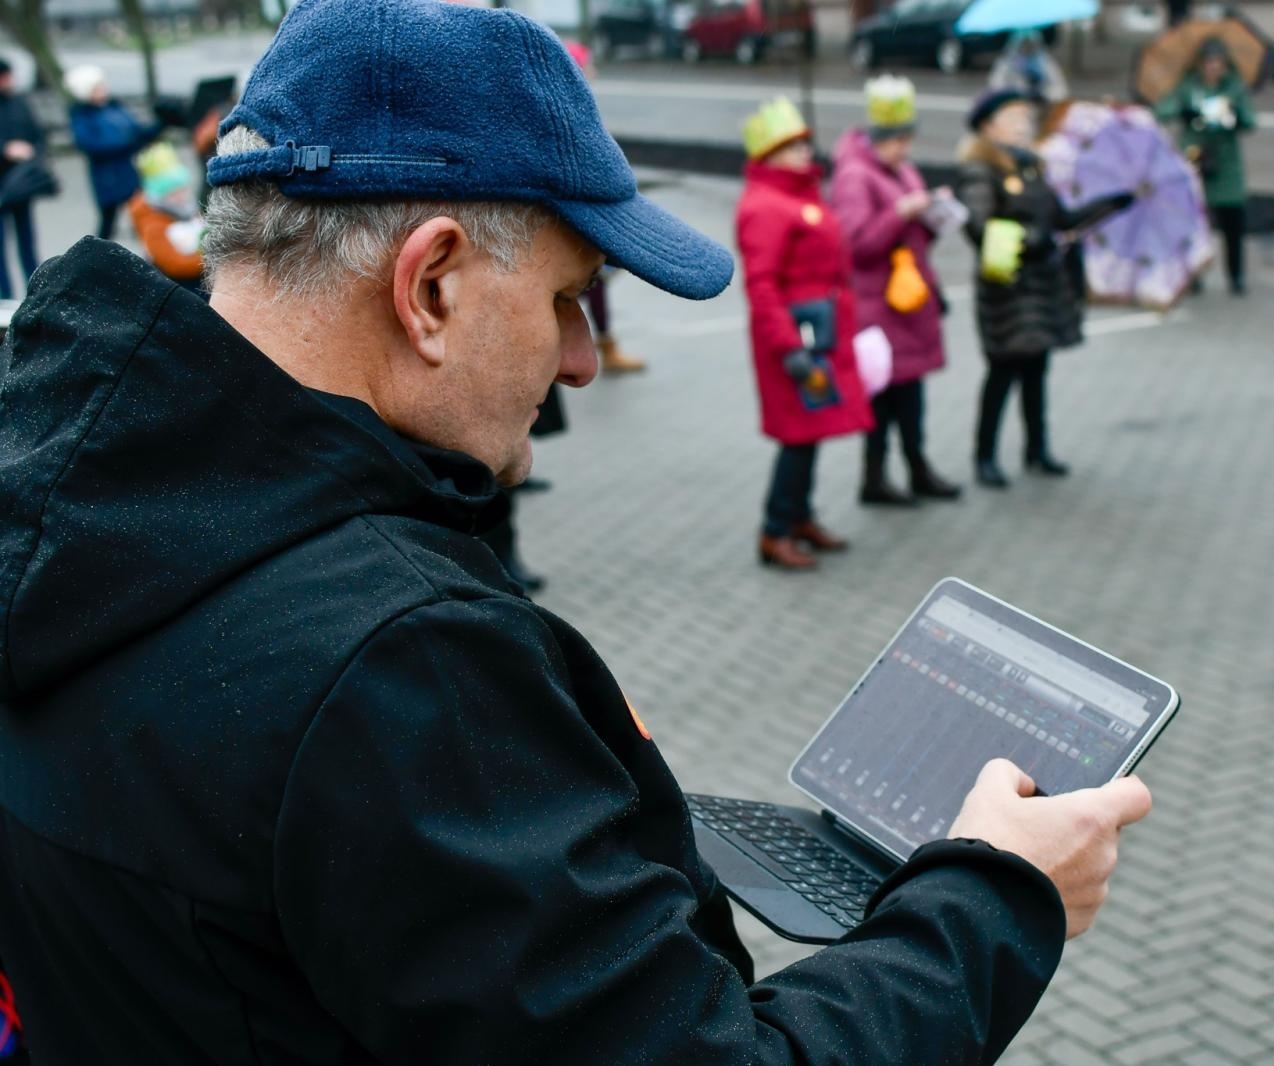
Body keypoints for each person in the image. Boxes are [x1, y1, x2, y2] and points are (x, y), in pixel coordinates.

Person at [0, 2, 1154, 1060]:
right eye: (568, 298)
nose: (585, 360)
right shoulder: (398, 663)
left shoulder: (72, 510)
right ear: (432, 286)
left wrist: (549, 792)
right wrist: (994, 895)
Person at [957, 89, 1131, 489]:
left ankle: (1037, 449)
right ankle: (985, 456)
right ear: (989, 125)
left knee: (1036, 368)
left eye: (1026, 117)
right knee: (1002, 371)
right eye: (1014, 117)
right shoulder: (980, 168)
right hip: (1006, 289)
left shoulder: (1032, 167)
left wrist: (1112, 204)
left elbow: (1062, 219)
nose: (1023, 124)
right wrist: (1038, 239)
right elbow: (980, 229)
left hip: (1039, 284)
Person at [737, 96, 874, 570]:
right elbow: (762, 285)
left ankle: (798, 517)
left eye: (804, 144)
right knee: (797, 435)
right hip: (794, 343)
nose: (804, 154)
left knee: (810, 430)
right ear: (769, 154)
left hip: (817, 336)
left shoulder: (799, 196)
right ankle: (774, 530)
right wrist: (789, 347)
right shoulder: (767, 206)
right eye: (792, 146)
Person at [830, 75, 962, 507]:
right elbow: (856, 246)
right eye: (896, 141)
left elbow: (913, 238)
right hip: (877, 306)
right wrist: (901, 211)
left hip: (908, 302)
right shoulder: (854, 177)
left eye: (908, 140)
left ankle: (917, 468)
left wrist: (932, 215)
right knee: (883, 399)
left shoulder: (903, 171)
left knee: (911, 395)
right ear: (876, 139)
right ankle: (875, 478)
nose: (904, 150)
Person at [565, 39, 646, 374]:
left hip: (589, 214)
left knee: (592, 285)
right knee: (586, 283)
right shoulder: (571, 115)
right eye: (588, 66)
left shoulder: (580, 110)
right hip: (583, 216)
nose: (594, 72)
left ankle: (601, 344)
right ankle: (593, 345)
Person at [1156, 38, 1257, 296]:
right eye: (1208, 62)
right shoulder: (1189, 85)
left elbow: (1250, 121)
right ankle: (1193, 273)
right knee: (1192, 221)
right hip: (1195, 157)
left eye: (1217, 62)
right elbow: (1162, 109)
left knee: (1232, 220)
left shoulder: (1234, 88)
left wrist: (1232, 117)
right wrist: (1185, 110)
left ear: (1225, 64)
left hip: (1225, 160)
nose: (1212, 67)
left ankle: (1236, 275)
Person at [65, 64, 162, 241]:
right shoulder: (82, 114)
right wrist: (126, 143)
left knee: (143, 219)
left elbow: (137, 132)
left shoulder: (115, 107)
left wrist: (159, 124)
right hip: (107, 176)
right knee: (108, 222)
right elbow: (90, 144)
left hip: (129, 171)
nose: (102, 91)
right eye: (96, 88)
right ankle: (96, 260)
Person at [127, 143, 205, 293]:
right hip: (178, 287)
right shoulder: (153, 223)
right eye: (173, 192)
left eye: (182, 189)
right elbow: (172, 264)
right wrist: (210, 261)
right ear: (160, 194)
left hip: (197, 279)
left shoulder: (188, 210)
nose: (181, 196)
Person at [0, 58, 45, 301]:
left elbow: (36, 134)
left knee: (27, 242)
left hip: (22, 184)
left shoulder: (18, 102)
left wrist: (32, 154)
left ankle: (36, 292)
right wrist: (6, 149)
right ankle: (4, 298)